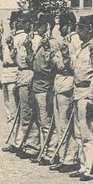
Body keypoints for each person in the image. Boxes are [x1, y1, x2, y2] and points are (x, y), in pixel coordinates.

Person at [69, 14, 93, 181]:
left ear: (90, 29)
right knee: (79, 133)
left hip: (86, 92)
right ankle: (83, 165)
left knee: (89, 132)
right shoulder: (81, 48)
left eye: (81, 28)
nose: (78, 31)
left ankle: (91, 168)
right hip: (77, 91)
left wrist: (91, 98)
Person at [47, 11, 81, 172]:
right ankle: (63, 156)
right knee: (61, 124)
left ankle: (71, 158)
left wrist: (59, 59)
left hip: (67, 83)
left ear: (70, 25)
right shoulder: (64, 40)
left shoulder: (75, 40)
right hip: (59, 83)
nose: (59, 29)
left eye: (62, 25)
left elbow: (72, 64)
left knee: (67, 123)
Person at [11, 13, 41, 158]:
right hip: (21, 74)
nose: (22, 25)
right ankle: (25, 143)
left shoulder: (36, 40)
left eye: (26, 22)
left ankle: (32, 146)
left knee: (29, 113)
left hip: (29, 75)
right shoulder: (23, 39)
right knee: (24, 112)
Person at [30, 13, 56, 163]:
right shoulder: (41, 43)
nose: (36, 28)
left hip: (45, 85)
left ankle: (50, 152)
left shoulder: (51, 44)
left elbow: (51, 67)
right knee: (41, 121)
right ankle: (43, 150)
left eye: (40, 25)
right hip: (37, 84)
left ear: (47, 26)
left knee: (46, 122)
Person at [0, 11, 20, 125]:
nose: (11, 25)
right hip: (5, 73)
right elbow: (3, 58)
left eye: (13, 22)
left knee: (14, 104)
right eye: (11, 22)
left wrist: (11, 47)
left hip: (14, 73)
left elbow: (18, 59)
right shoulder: (8, 38)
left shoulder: (18, 39)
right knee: (7, 105)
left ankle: (17, 137)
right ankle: (12, 133)